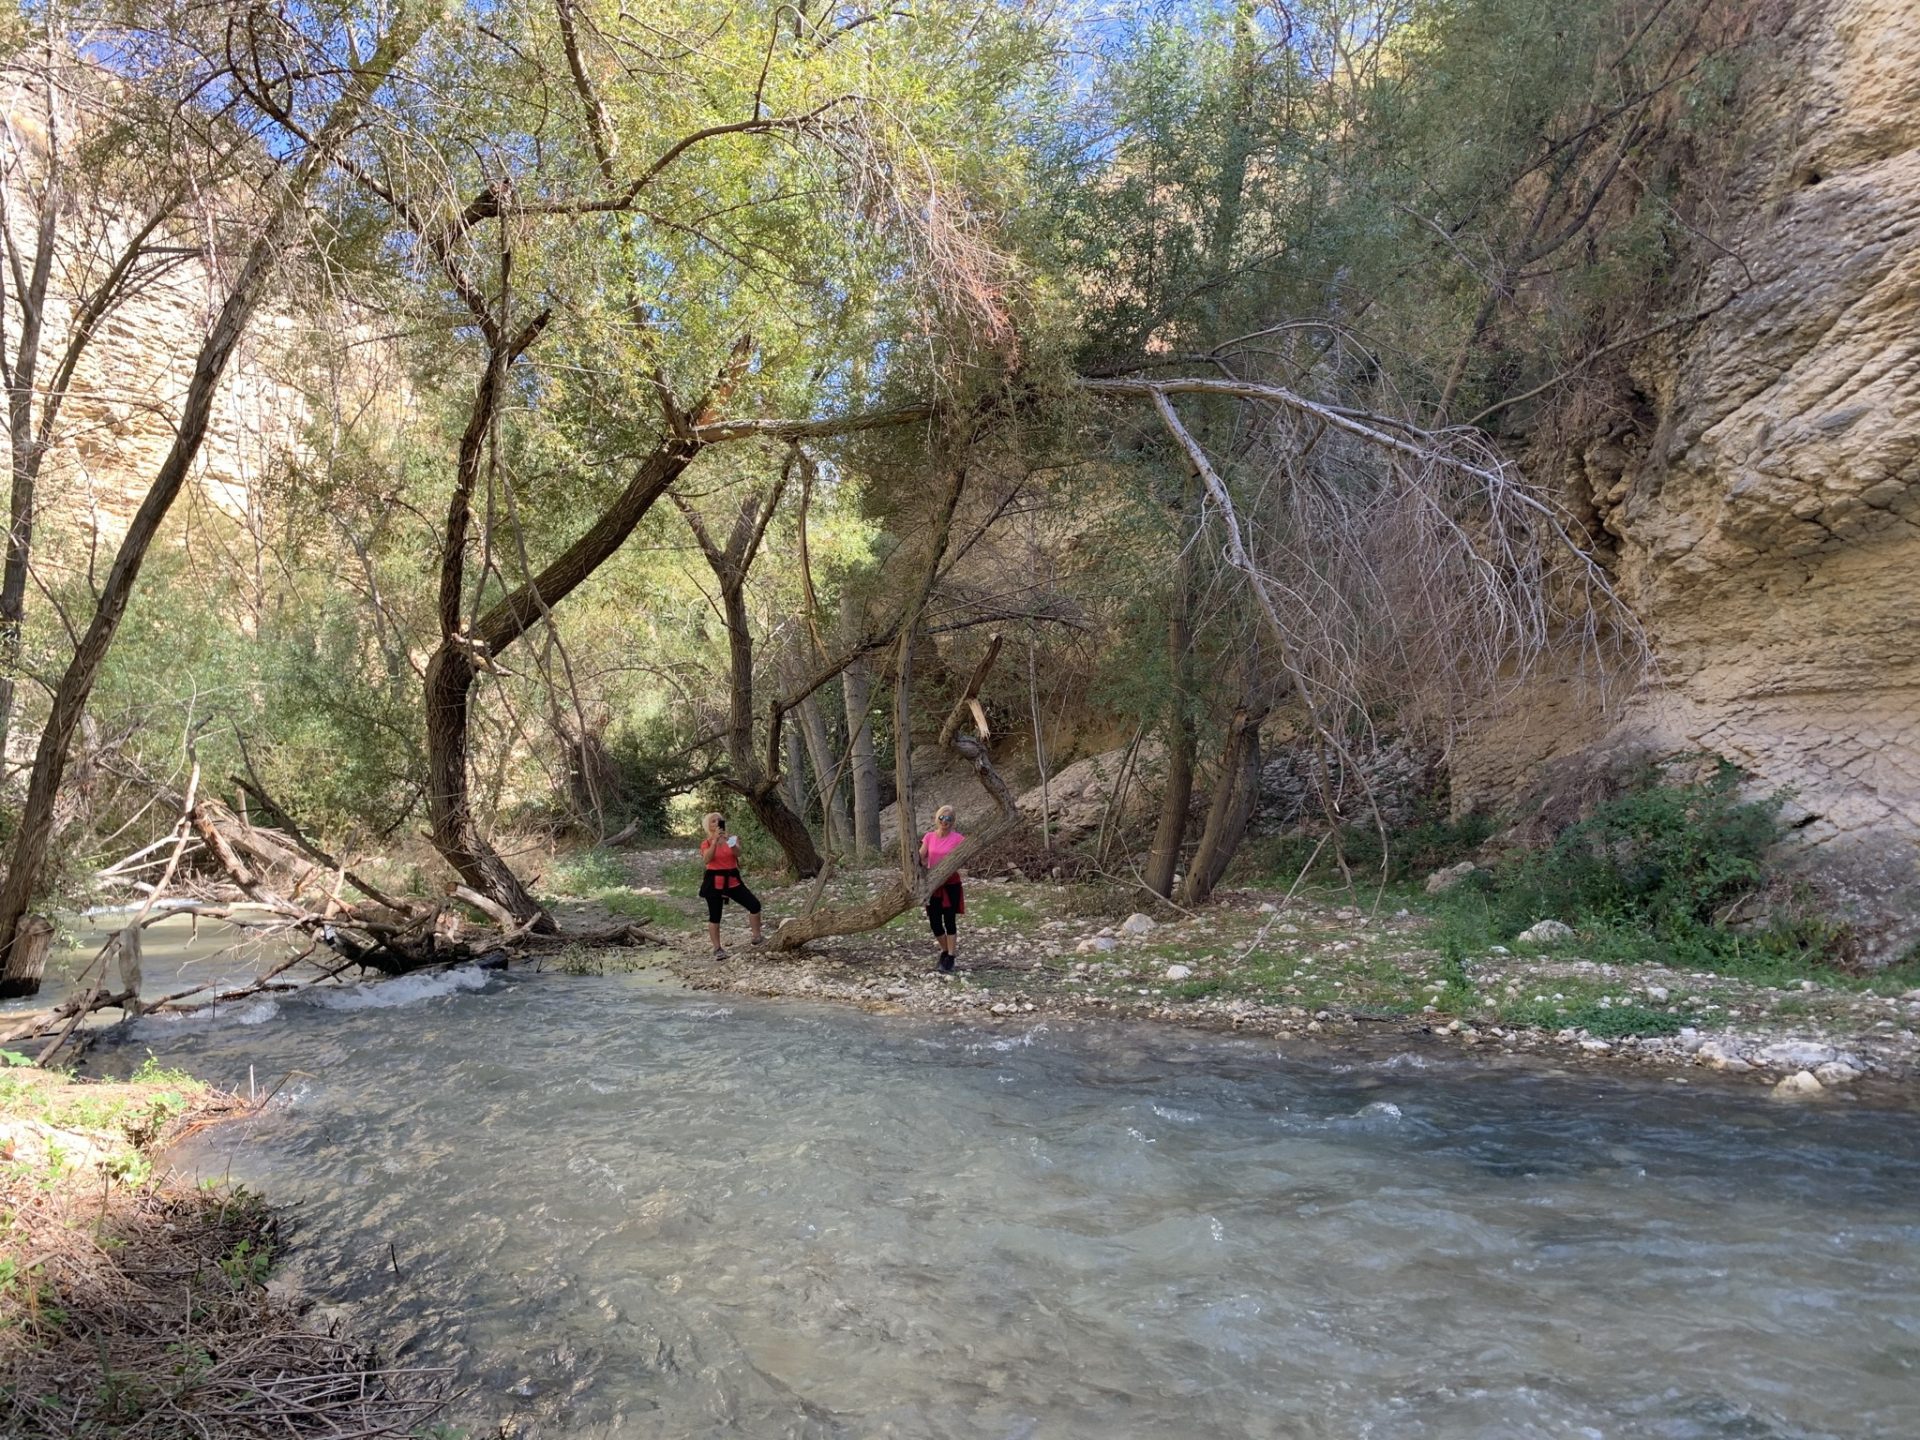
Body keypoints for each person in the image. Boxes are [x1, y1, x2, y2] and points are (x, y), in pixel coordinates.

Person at [697, 812, 764, 959]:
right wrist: (714, 841)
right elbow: (707, 859)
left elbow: (738, 853)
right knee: (715, 916)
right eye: (713, 821)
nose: (717, 823)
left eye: (719, 821)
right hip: (714, 882)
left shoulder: (732, 839)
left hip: (732, 879)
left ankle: (757, 936)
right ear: (709, 826)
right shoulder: (706, 843)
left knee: (754, 905)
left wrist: (729, 841)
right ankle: (717, 948)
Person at [919, 804, 966, 974]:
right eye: (942, 818)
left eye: (949, 819)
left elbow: (963, 858)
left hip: (951, 884)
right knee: (935, 922)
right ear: (937, 818)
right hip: (933, 884)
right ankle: (945, 950)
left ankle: (951, 957)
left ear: (953, 821)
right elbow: (921, 855)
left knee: (949, 920)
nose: (945, 821)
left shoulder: (958, 839)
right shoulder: (929, 837)